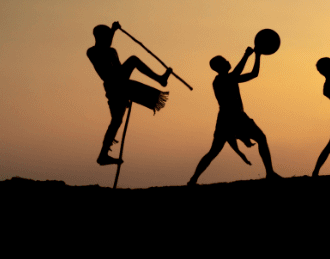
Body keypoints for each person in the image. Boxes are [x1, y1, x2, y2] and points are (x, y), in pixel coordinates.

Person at [188, 46, 280, 185]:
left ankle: (270, 173)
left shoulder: (231, 78)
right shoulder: (221, 80)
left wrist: (258, 56)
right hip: (230, 118)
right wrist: (246, 55)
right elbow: (237, 71)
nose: (228, 61)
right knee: (215, 151)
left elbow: (254, 74)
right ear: (220, 66)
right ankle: (270, 173)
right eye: (225, 61)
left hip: (233, 118)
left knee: (259, 139)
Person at [87, 21, 171, 166]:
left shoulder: (112, 51)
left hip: (121, 84)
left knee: (116, 121)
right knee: (133, 60)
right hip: (113, 84)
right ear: (98, 37)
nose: (109, 39)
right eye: (106, 36)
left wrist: (113, 30)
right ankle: (160, 79)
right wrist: (113, 31)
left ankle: (103, 155)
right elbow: (104, 53)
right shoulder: (93, 51)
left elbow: (110, 52)